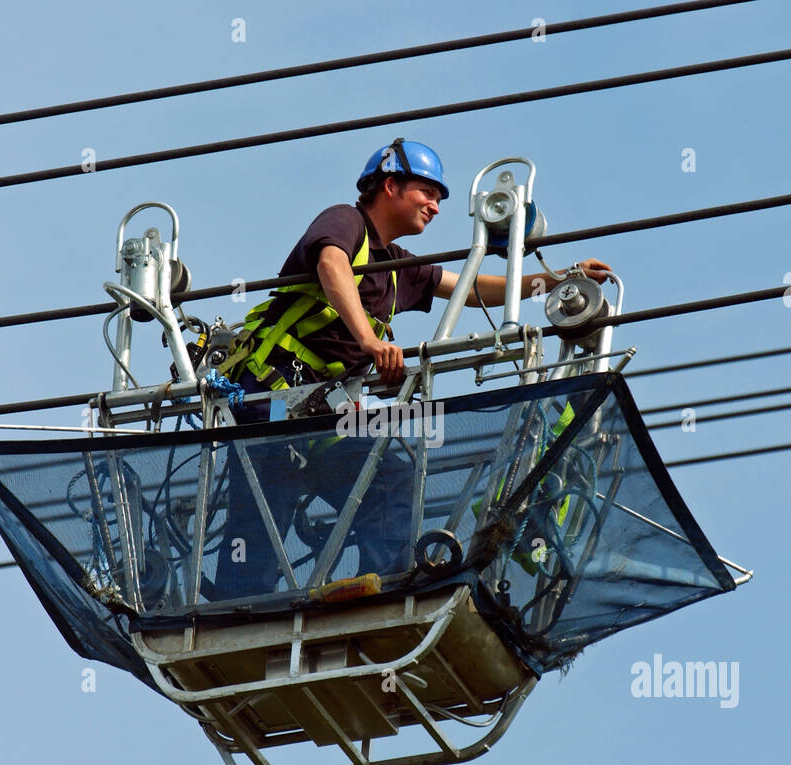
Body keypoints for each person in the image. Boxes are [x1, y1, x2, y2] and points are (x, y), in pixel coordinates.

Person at [211, 137, 611, 601]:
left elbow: (478, 288)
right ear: (390, 185)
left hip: (318, 413)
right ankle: (236, 608)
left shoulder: (402, 267)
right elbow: (331, 263)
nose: (436, 207)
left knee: (389, 478)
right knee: (264, 503)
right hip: (271, 398)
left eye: (440, 198)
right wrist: (368, 340)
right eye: (428, 193)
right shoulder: (345, 222)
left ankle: (384, 590)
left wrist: (560, 278)